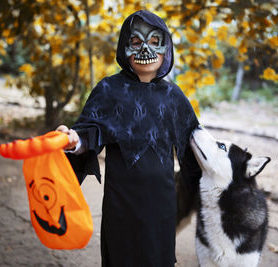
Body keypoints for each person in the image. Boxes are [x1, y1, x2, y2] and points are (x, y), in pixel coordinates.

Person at [57, 10, 201, 267]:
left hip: (162, 206)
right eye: (136, 42)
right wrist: (74, 140)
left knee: (158, 258)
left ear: (166, 46)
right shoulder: (109, 90)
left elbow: (195, 143)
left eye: (154, 40)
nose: (145, 48)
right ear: (125, 46)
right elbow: (90, 129)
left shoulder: (174, 96)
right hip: (121, 203)